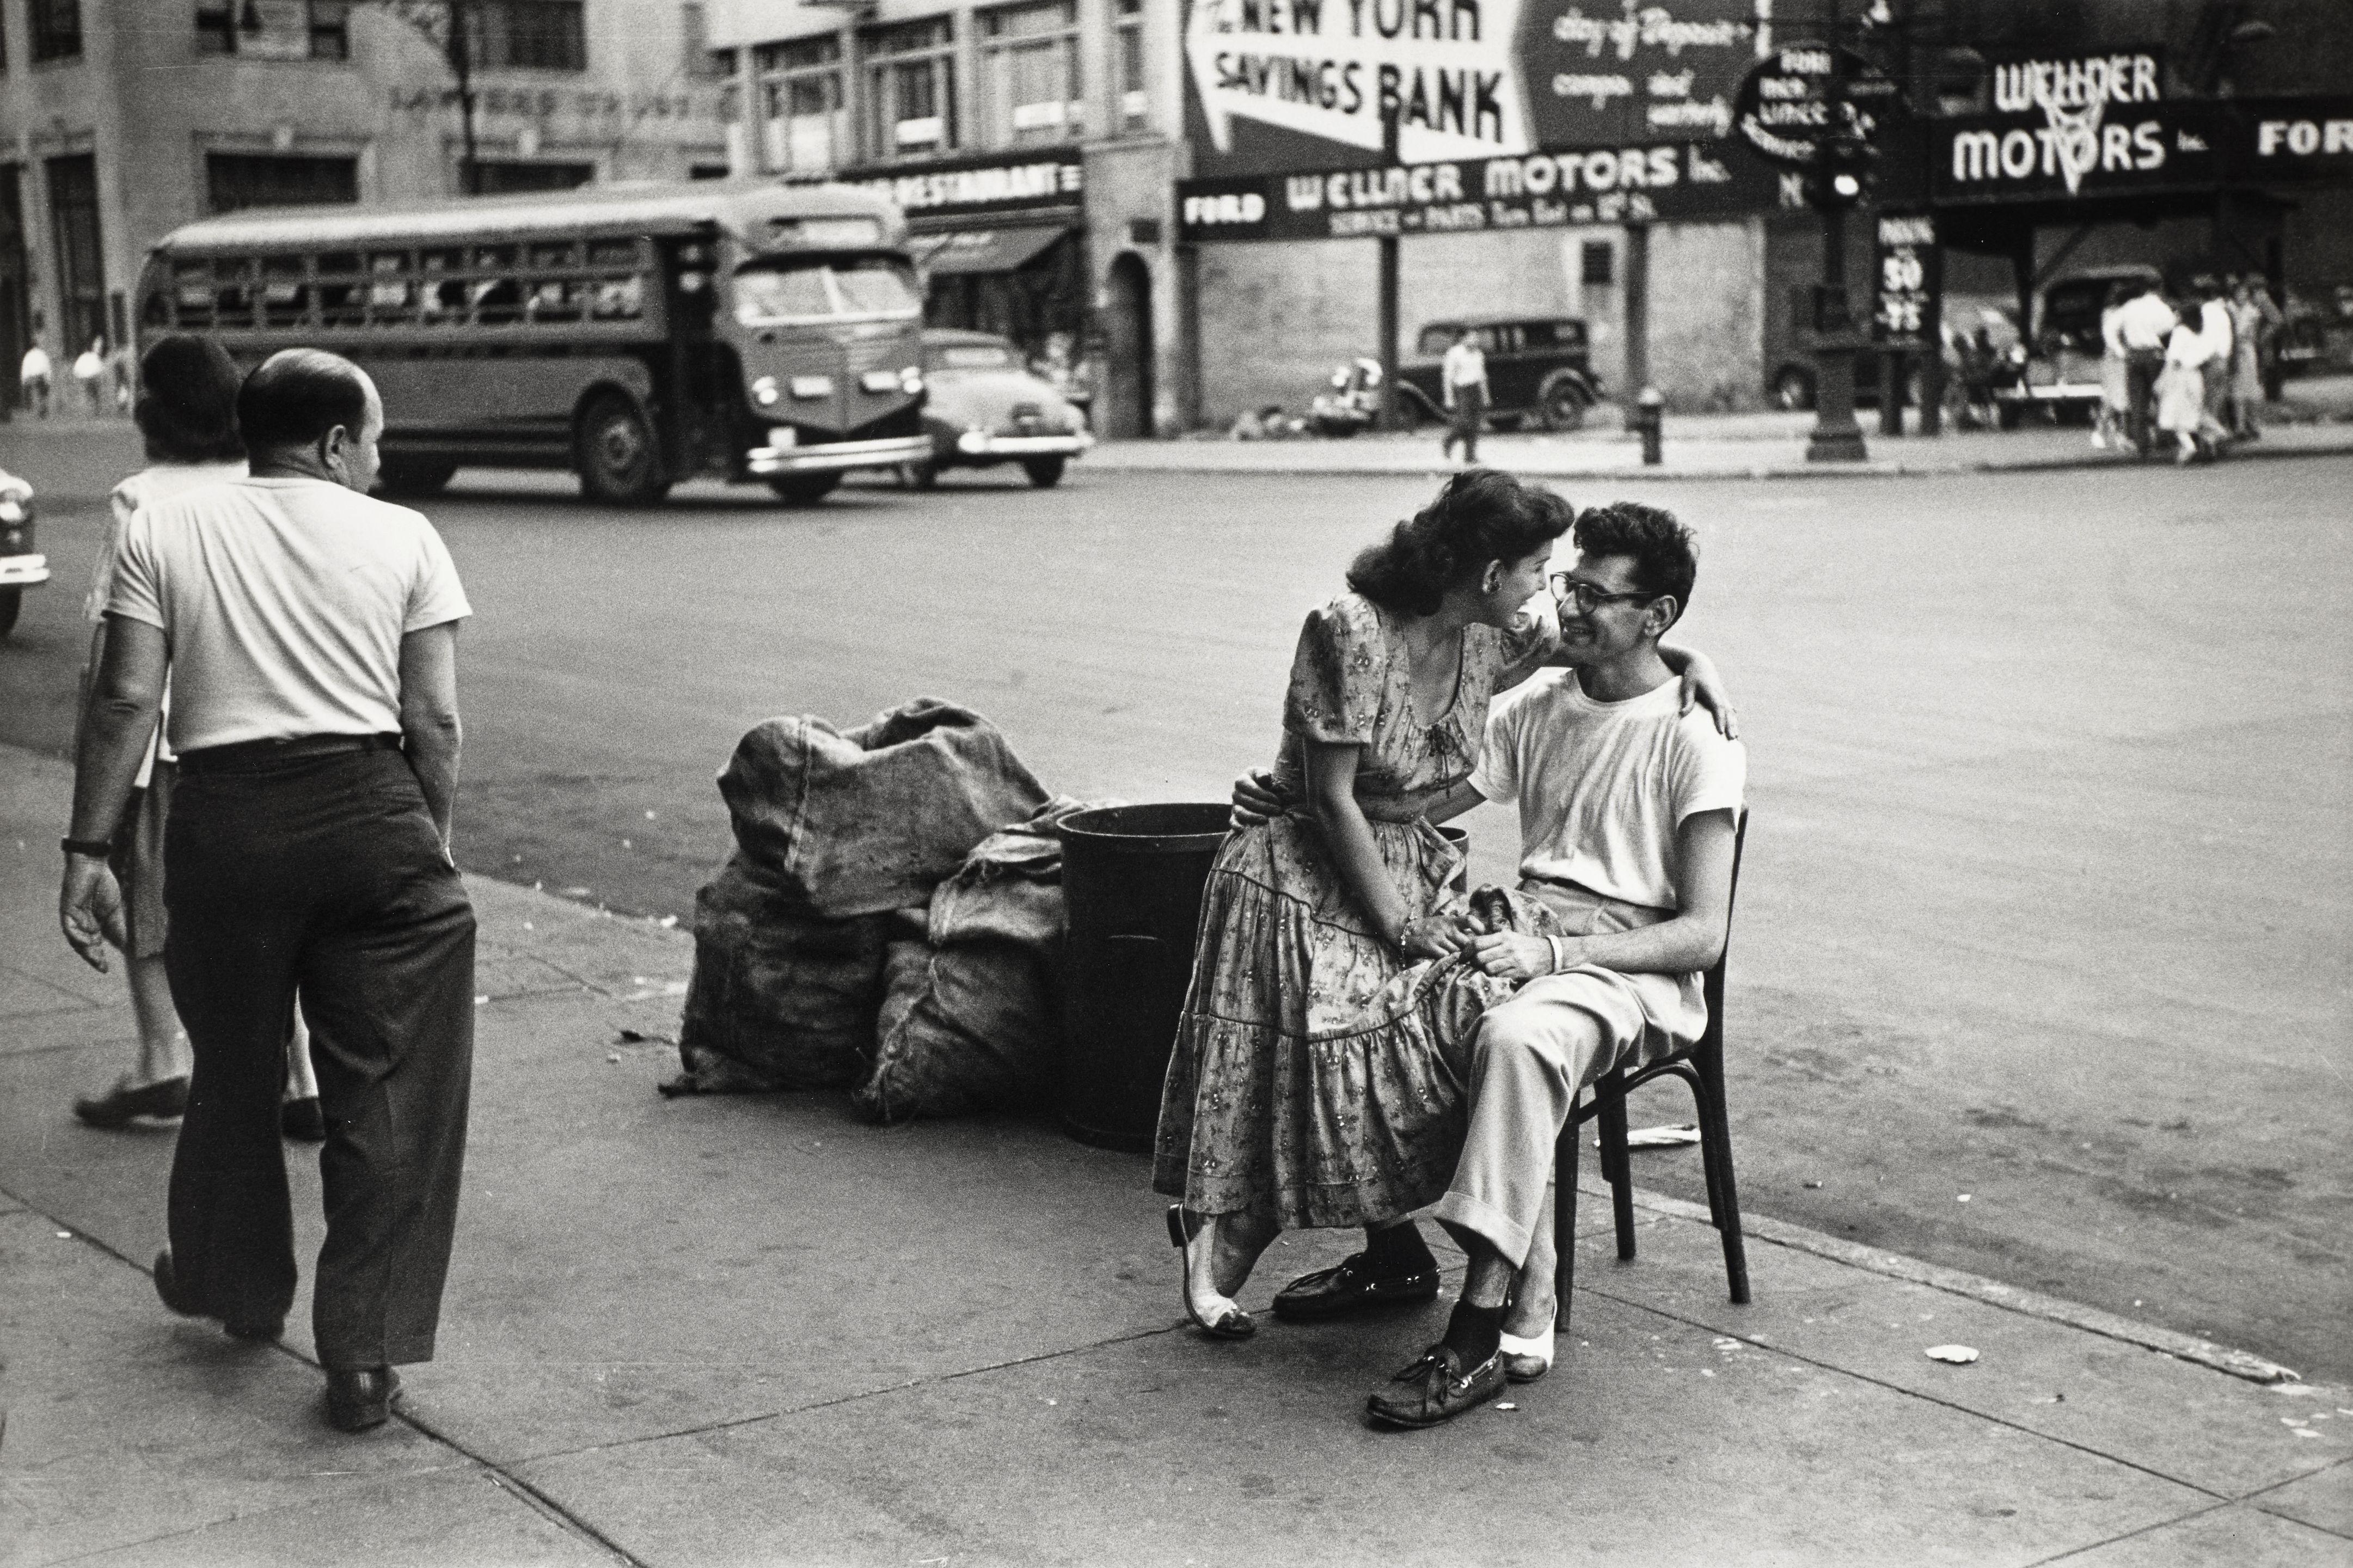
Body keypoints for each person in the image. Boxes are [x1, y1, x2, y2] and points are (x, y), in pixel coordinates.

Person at [1156, 470, 1730, 1342]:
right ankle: (1259, 1236)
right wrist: (1344, 853)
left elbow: (1625, 655)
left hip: (1500, 909)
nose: (1556, 598)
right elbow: (1363, 800)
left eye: (1573, 582)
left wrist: (1697, 663)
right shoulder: (1387, 641)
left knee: (1413, 1029)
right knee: (1348, 1035)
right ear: (1489, 571)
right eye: (1549, 575)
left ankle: (1450, 1283)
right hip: (1330, 878)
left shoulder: (1508, 647)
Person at [59, 348, 476, 1434]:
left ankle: (237, 1288)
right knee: (389, 1089)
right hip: (370, 813)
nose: (378, 462)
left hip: (225, 826)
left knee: (235, 1075)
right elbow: (431, 721)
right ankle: (365, 1355)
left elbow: (124, 704)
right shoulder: (405, 537)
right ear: (336, 442)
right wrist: (425, 842)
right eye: (373, 441)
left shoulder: (166, 530)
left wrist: (87, 849)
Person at [1358, 501, 1745, 1428]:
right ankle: (1393, 1250)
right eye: (1567, 583)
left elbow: (1702, 935)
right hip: (1526, 927)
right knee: (1373, 1001)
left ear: (1655, 616)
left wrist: (1558, 953)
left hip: (1634, 963)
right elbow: (1421, 801)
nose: (1568, 607)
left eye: (1595, 596)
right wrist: (1318, 790)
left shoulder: (1695, 737)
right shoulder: (1539, 705)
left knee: (1521, 1037)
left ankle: (1480, 1327)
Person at [68, 337, 244, 1132]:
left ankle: (161, 1058)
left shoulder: (139, 498)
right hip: (256, 727)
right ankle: (302, 1074)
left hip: (168, 739)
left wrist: (93, 771)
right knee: (259, 908)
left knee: (148, 900)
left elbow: (113, 655)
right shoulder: (262, 481)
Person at [2113, 278, 2177, 456]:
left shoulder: (2130, 307)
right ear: (2159, 289)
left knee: (2138, 400)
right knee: (2162, 397)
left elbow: (2113, 328)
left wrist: (2121, 350)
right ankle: (2165, 439)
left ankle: (2142, 444)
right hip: (2154, 354)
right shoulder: (2162, 308)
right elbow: (2169, 329)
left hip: (2133, 355)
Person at [2156, 305, 2213, 464]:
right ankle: (2209, 442)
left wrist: (2163, 379)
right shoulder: (2198, 332)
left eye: (2177, 313)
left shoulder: (2180, 332)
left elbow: (2173, 358)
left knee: (2175, 416)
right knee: (2193, 412)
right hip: (2195, 375)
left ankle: (2188, 446)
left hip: (2180, 376)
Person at [2228, 277, 2270, 440]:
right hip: (2235, 352)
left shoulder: (2252, 312)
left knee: (2250, 388)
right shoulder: (2229, 309)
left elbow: (2249, 334)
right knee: (2237, 390)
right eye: (2239, 293)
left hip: (2246, 351)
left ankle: (2253, 424)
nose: (2242, 296)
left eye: (2244, 293)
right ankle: (2240, 426)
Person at [1440, 328, 1489, 463]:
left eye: (1476, 338)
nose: (1475, 340)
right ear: (1464, 339)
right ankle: (1449, 441)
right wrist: (1448, 397)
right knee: (1464, 422)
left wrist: (1485, 395)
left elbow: (1482, 376)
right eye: (1472, 337)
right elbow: (1448, 377)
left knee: (1475, 424)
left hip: (1475, 389)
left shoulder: (1479, 354)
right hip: (1462, 389)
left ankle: (1470, 456)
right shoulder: (1454, 353)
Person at [2197, 284, 2235, 450]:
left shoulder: (2205, 312)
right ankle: (2216, 441)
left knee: (2206, 403)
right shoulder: (2223, 312)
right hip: (2223, 360)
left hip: (2211, 360)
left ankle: (2211, 441)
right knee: (2217, 403)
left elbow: (2208, 340)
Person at [2094, 283, 2131, 450]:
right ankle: (2101, 430)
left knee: (2124, 397)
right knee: (2112, 397)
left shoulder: (2125, 312)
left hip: (2124, 356)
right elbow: (2111, 336)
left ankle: (2121, 434)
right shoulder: (2110, 313)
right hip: (2114, 357)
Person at [20, 332, 52, 419]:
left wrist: (24, 380)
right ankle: (42, 411)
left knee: (33, 394)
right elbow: (47, 367)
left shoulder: (28, 355)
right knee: (42, 395)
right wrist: (48, 378)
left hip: (32, 377)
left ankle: (36, 411)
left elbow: (25, 368)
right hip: (41, 376)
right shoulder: (42, 354)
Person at [73, 338, 108, 418]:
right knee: (96, 395)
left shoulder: (82, 357)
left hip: (85, 378)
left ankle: (88, 412)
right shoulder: (95, 357)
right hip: (94, 378)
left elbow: (76, 370)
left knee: (88, 395)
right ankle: (96, 411)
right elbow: (100, 369)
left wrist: (80, 376)